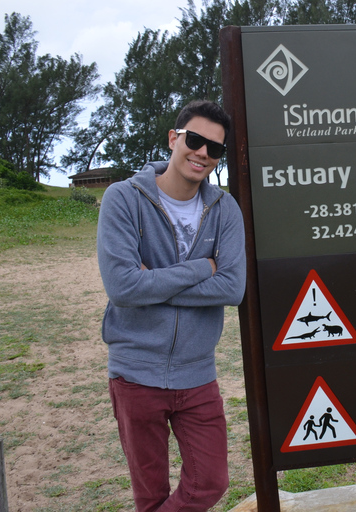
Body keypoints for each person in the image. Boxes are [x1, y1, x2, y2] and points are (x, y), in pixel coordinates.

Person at [97, 100, 246, 511]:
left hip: (198, 375)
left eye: (214, 149)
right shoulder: (123, 199)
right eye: (195, 140)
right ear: (173, 138)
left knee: (210, 483)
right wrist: (203, 267)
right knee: (150, 495)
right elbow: (123, 287)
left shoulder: (225, 209)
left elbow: (232, 288)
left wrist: (153, 282)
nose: (202, 153)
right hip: (134, 374)